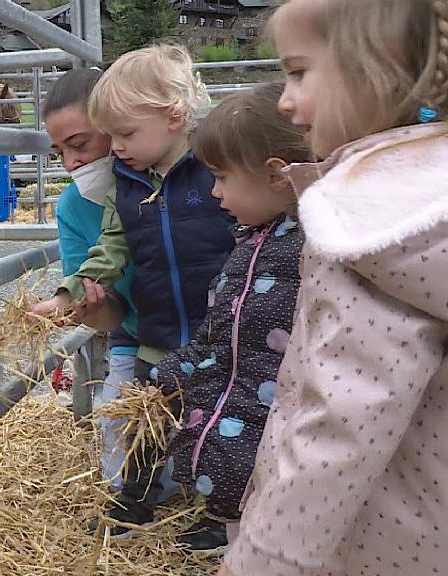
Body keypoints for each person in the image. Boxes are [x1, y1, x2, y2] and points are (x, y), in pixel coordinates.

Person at [220, 1, 448, 574]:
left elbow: (340, 421)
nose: (284, 99)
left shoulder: (361, 223)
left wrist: (261, 558)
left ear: (379, 67)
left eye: (299, 72)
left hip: (373, 542)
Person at [34, 44, 236, 537]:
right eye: (58, 151)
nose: (70, 162)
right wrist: (73, 296)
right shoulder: (125, 188)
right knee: (143, 422)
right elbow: (106, 250)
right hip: (151, 330)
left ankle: (220, 513)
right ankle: (135, 499)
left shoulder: (216, 170)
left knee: (225, 421)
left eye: (88, 141)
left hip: (218, 329)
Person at [150, 82, 309, 554]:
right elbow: (218, 340)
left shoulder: (317, 252)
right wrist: (165, 374)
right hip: (237, 454)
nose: (214, 192)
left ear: (276, 176)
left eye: (221, 177)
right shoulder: (248, 247)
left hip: (282, 460)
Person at [42, 67, 142, 491]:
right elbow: (107, 318)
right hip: (136, 337)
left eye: (79, 144)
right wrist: (88, 308)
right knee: (116, 420)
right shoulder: (72, 206)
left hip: (203, 331)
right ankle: (122, 500)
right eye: (58, 152)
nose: (71, 163)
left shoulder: (169, 182)